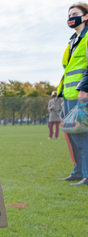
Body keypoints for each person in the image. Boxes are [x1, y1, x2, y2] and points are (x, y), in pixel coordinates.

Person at [58, 3, 88, 186]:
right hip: (69, 96)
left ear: (85, 17)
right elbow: (67, 71)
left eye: (75, 14)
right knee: (71, 134)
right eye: (69, 14)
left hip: (82, 95)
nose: (71, 17)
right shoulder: (72, 42)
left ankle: (86, 174)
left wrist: (84, 89)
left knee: (81, 134)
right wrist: (60, 96)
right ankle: (78, 172)